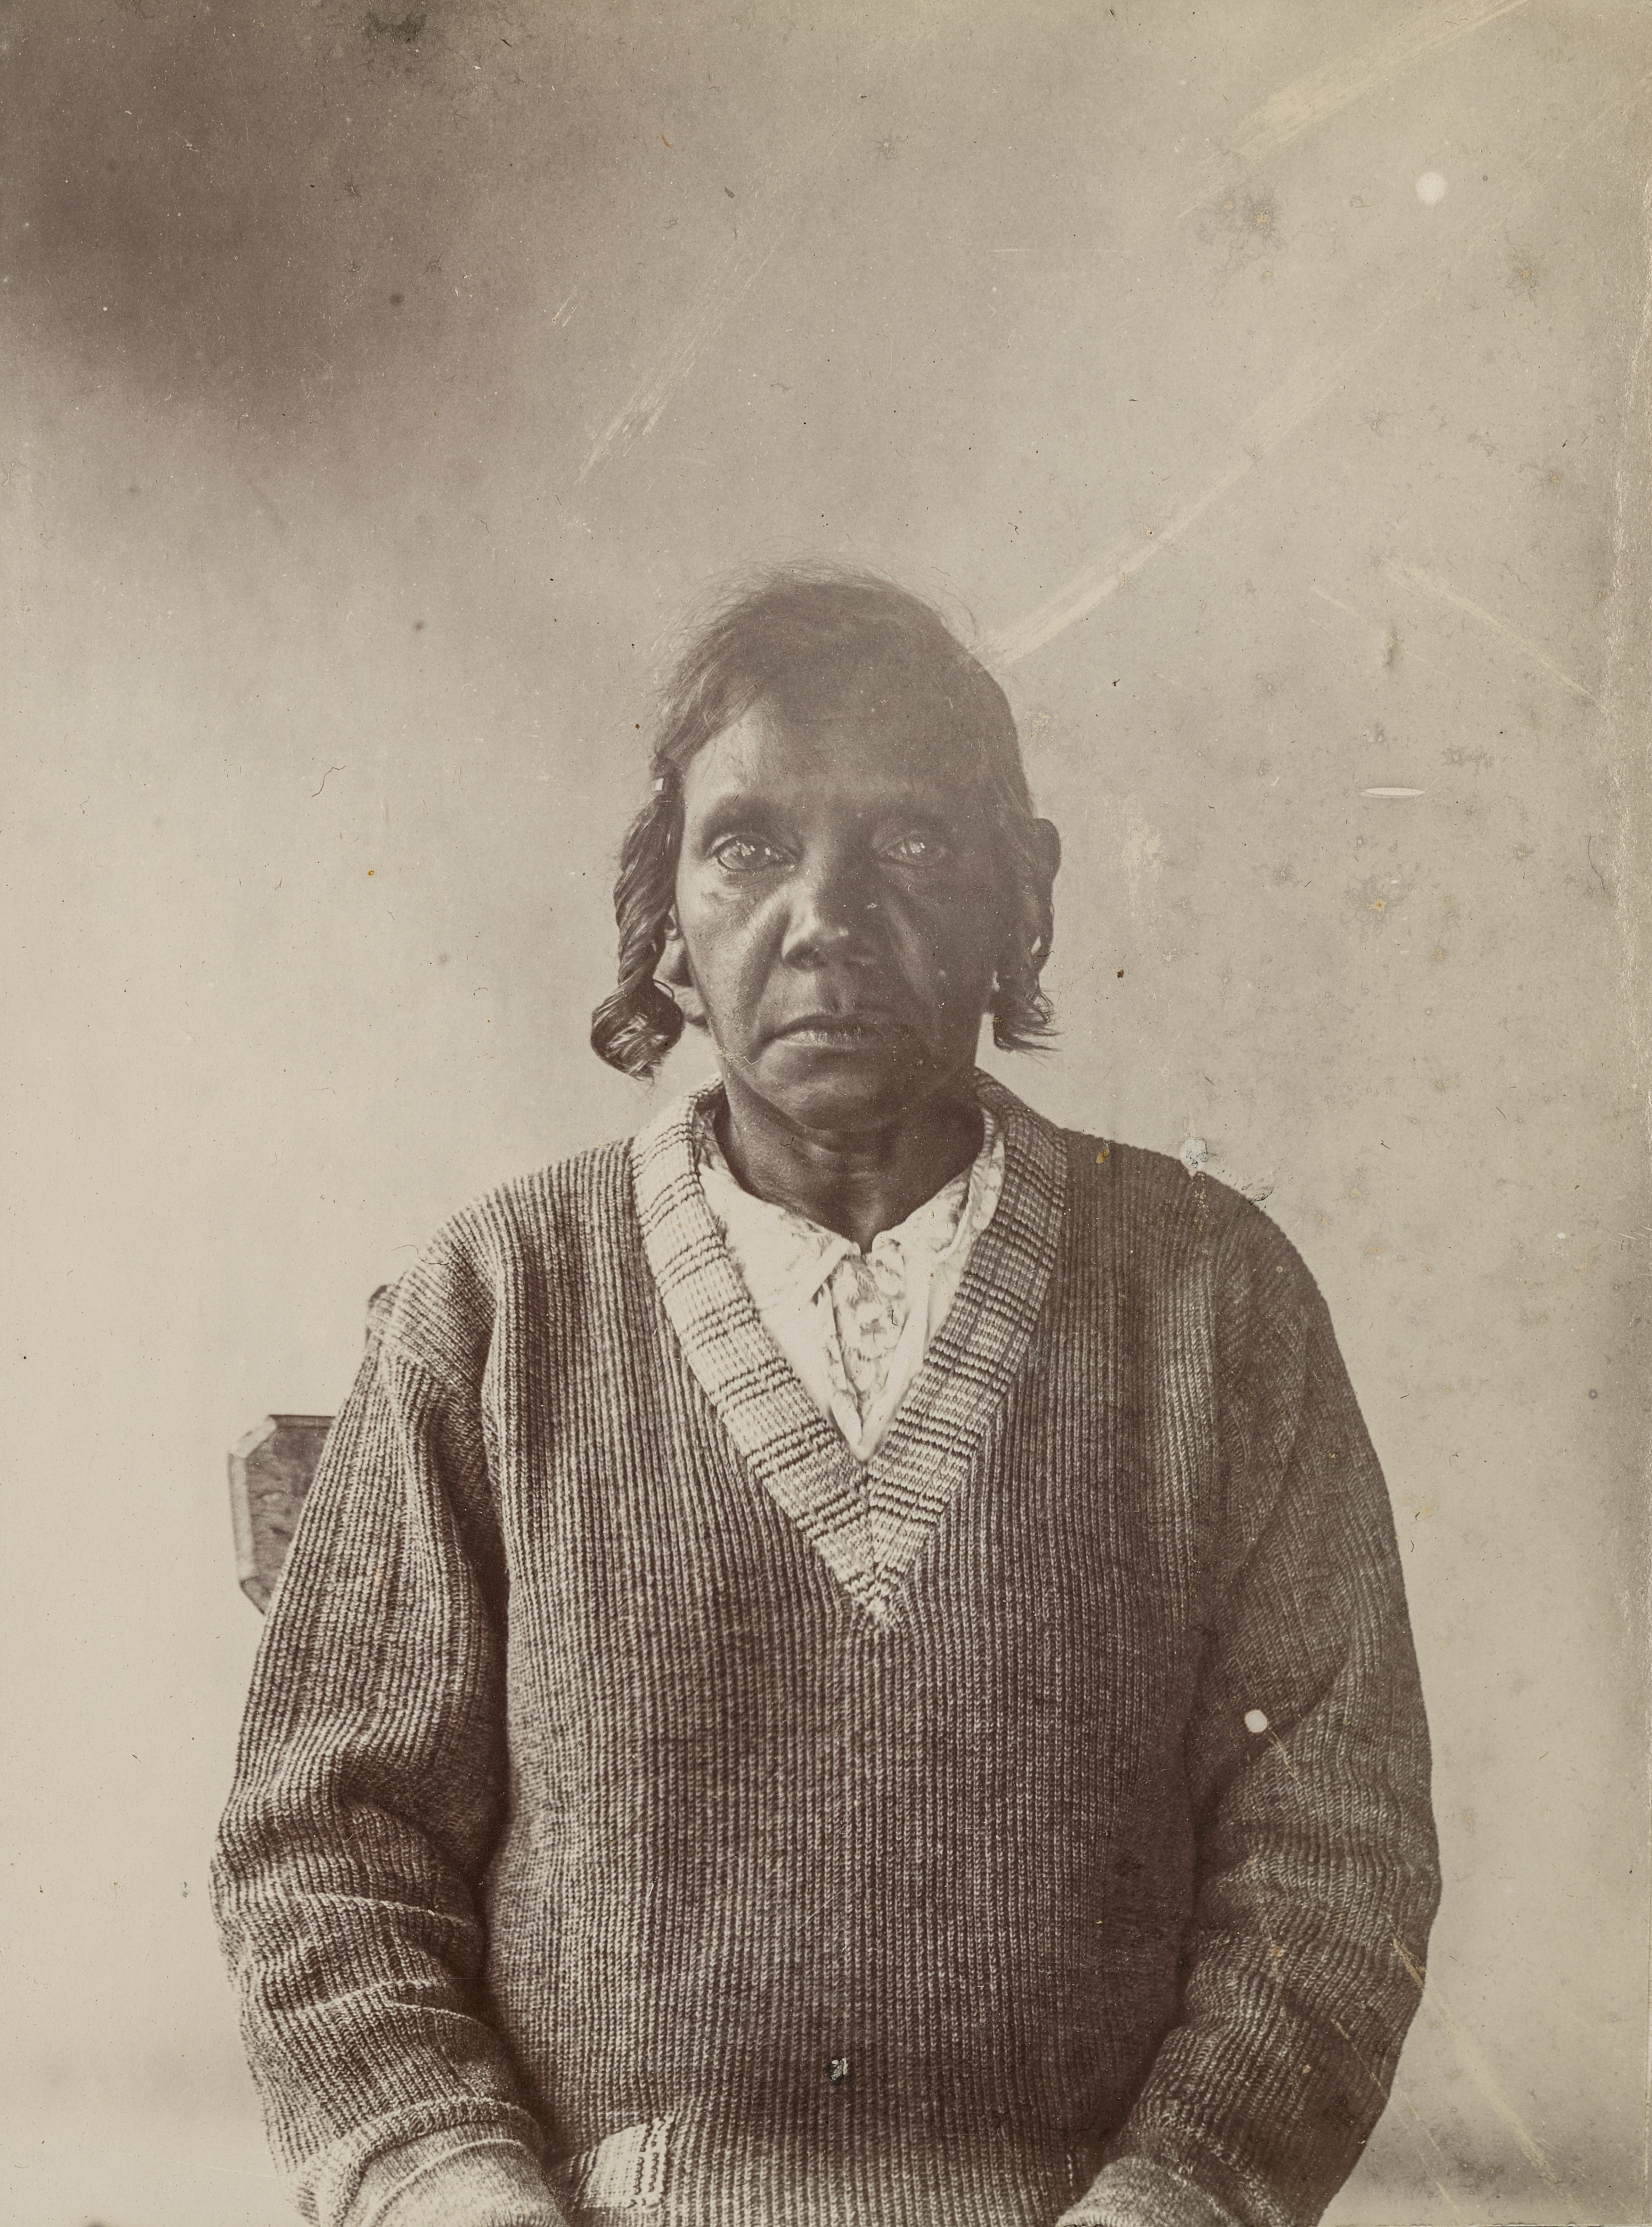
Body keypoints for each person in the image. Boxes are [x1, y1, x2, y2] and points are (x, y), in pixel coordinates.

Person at [213, 567, 1441, 2227]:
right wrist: (459, 2193)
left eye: (916, 845)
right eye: (749, 846)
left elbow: (1333, 1858)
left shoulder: (1214, 1301)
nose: (827, 917)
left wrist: (1176, 2200)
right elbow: (327, 1849)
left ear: (1025, 892)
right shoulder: (499, 1301)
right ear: (664, 914)